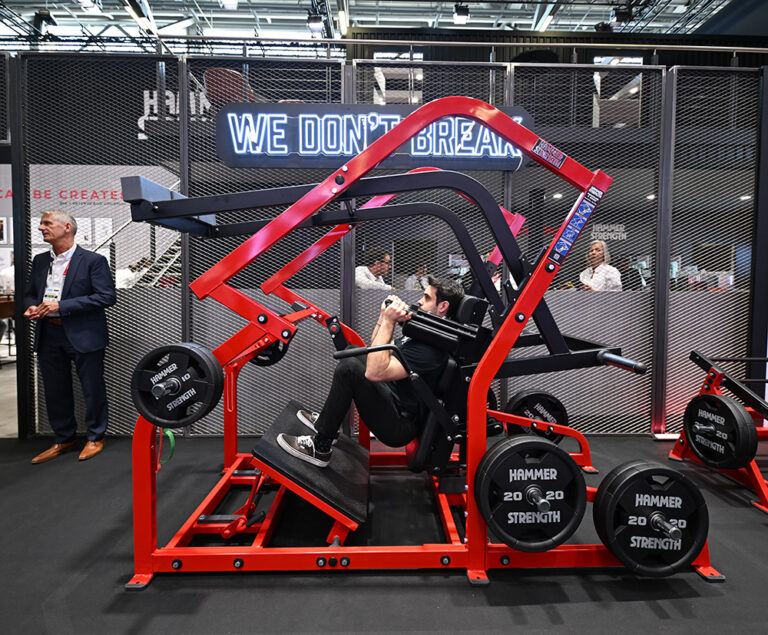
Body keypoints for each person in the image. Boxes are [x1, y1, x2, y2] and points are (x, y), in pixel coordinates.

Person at [277, 275, 464, 467]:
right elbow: (375, 351)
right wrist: (383, 317)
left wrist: (390, 321)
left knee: (349, 369)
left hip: (399, 424)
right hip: (392, 399)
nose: (419, 301)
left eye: (426, 298)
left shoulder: (432, 349)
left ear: (443, 306)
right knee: (352, 352)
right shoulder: (425, 334)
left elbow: (374, 372)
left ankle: (321, 447)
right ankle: (328, 423)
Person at [24, 210, 117, 464]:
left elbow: (106, 296)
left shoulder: (93, 261)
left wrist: (61, 306)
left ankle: (96, 436)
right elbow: (31, 292)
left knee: (92, 388)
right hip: (49, 333)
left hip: (84, 334)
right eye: (41, 224)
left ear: (67, 227)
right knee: (55, 390)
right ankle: (64, 438)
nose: (41, 228)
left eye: (47, 223)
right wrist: (31, 306)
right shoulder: (40, 261)